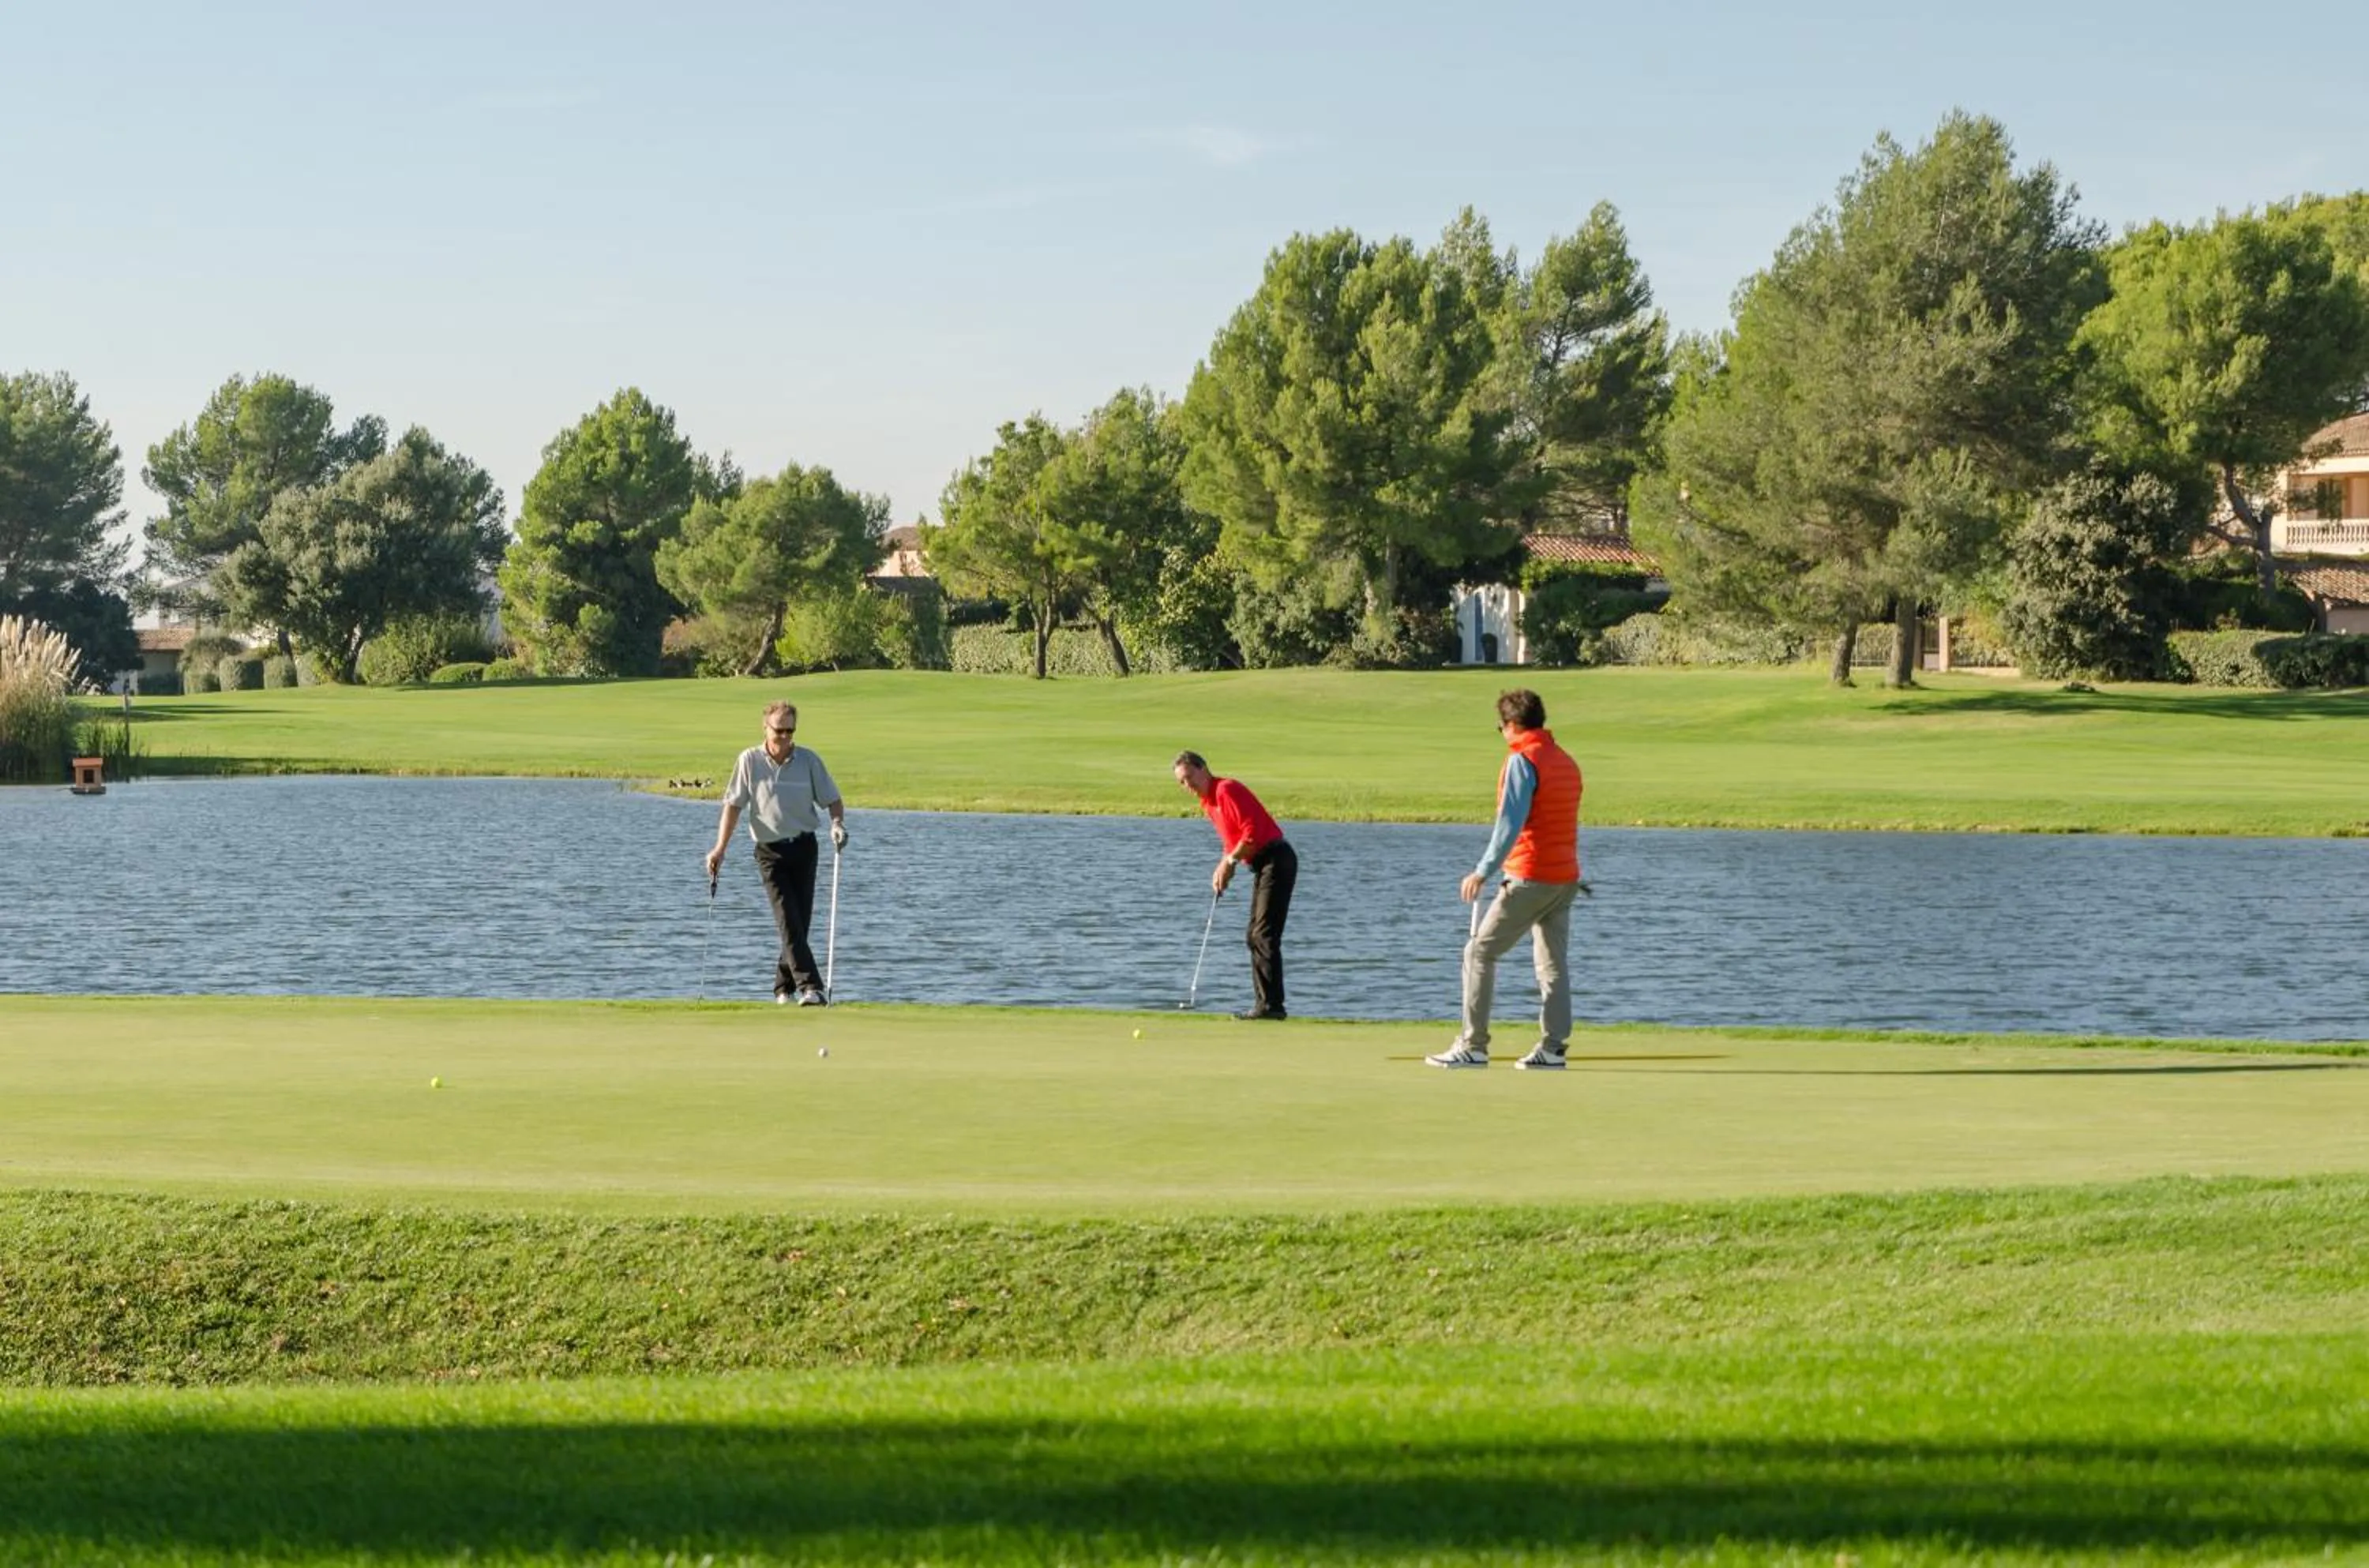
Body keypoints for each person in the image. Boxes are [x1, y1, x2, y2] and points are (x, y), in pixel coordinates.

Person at [1429, 688, 1583, 1070]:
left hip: (1531, 876)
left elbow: (1509, 825)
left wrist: (1482, 871)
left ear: (1512, 725)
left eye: (1500, 728)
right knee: (1552, 964)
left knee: (1479, 952)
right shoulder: (1564, 759)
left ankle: (1473, 1045)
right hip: (1564, 878)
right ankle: (1553, 1048)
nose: (1501, 733)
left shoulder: (1522, 761)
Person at [705, 700, 847, 1006]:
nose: (784, 737)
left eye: (790, 731)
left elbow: (833, 799)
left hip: (805, 847)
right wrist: (720, 849)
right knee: (787, 919)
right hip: (769, 852)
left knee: (800, 923)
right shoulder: (749, 760)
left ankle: (783, 988)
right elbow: (733, 806)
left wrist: (836, 823)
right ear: (765, 728)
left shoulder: (808, 760)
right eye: (779, 730)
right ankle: (810, 987)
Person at [1173, 750, 1297, 1020]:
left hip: (1276, 859)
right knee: (1254, 935)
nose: (1188, 785)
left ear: (1203, 769)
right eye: (1182, 782)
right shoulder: (1209, 804)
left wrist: (1229, 863)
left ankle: (1271, 1007)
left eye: (1190, 777)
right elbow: (1233, 842)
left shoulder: (1226, 790)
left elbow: (1251, 834)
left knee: (1263, 935)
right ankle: (1267, 1004)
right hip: (1263, 865)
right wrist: (1223, 868)